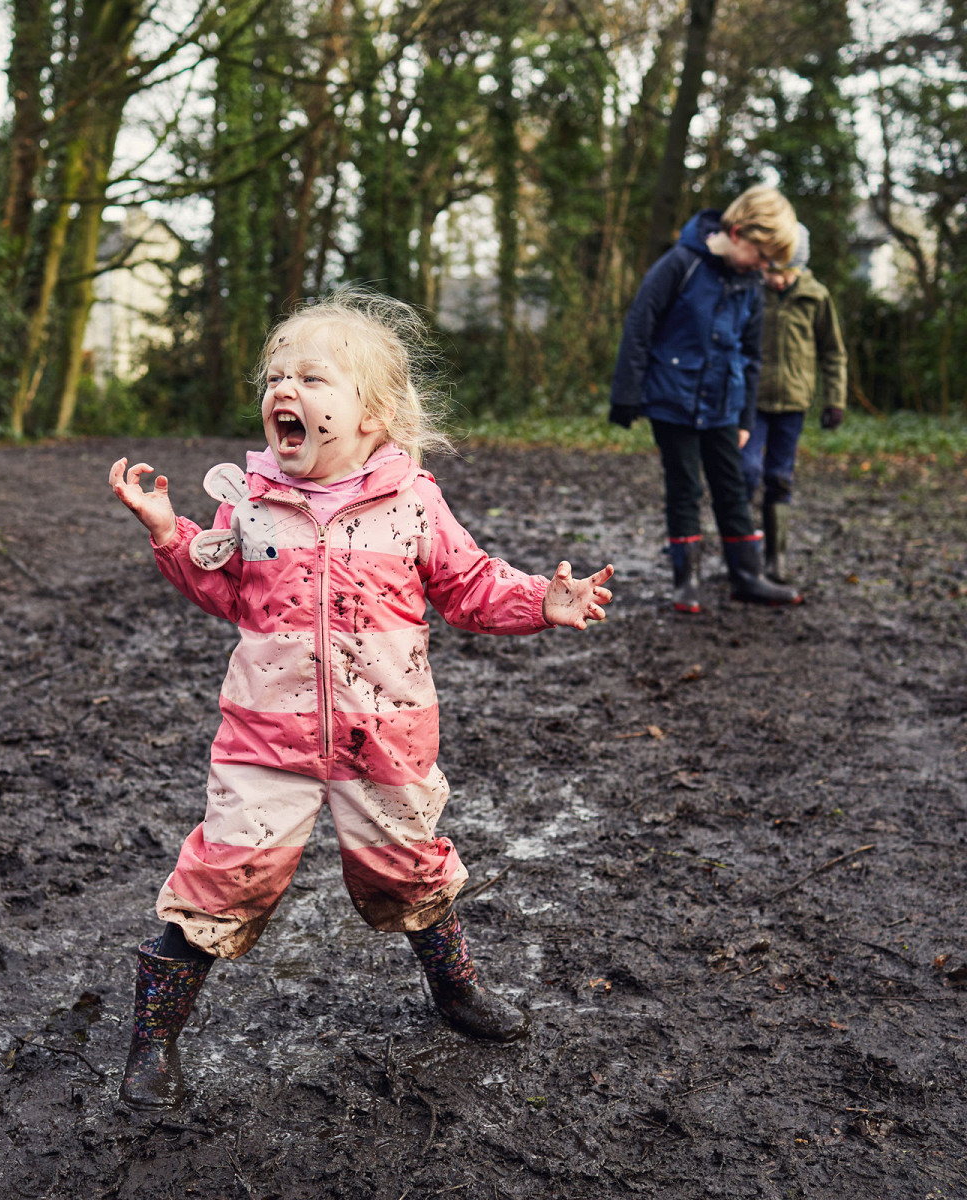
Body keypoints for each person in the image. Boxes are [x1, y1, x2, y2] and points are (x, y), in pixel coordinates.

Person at [108, 288, 615, 1109]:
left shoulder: (412, 502)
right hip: (265, 740)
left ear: (374, 416)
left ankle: (454, 991)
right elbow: (226, 591)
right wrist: (168, 532)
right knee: (222, 877)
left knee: (408, 870)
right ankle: (152, 1039)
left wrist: (541, 603)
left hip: (385, 736)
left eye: (313, 378)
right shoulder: (250, 503)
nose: (286, 392)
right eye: (276, 378)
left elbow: (470, 584)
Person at [609, 184, 802, 612]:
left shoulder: (750, 284)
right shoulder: (681, 264)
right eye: (762, 253)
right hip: (672, 399)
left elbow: (752, 354)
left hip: (724, 404)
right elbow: (641, 324)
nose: (764, 265)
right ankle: (687, 582)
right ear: (737, 232)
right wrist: (627, 394)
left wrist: (747, 418)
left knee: (731, 488)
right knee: (685, 487)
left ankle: (747, 576)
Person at [741, 223, 847, 583]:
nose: (780, 280)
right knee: (746, 473)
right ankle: (741, 553)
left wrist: (835, 400)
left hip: (793, 402)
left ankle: (776, 558)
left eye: (789, 272)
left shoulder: (816, 297)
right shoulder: (751, 291)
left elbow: (833, 353)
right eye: (773, 271)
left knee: (779, 477)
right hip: (752, 403)